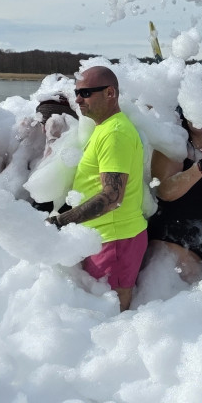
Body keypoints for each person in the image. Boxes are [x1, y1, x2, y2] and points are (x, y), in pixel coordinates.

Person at [48, 66, 147, 311]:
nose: (78, 99)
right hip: (102, 238)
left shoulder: (115, 134)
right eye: (76, 92)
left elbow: (112, 196)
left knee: (112, 315)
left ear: (110, 93)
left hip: (113, 240)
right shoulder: (105, 127)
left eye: (86, 93)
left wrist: (61, 222)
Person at [147, 105, 202, 282]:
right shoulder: (172, 144)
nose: (199, 117)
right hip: (174, 246)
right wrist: (200, 168)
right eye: (192, 110)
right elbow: (163, 191)